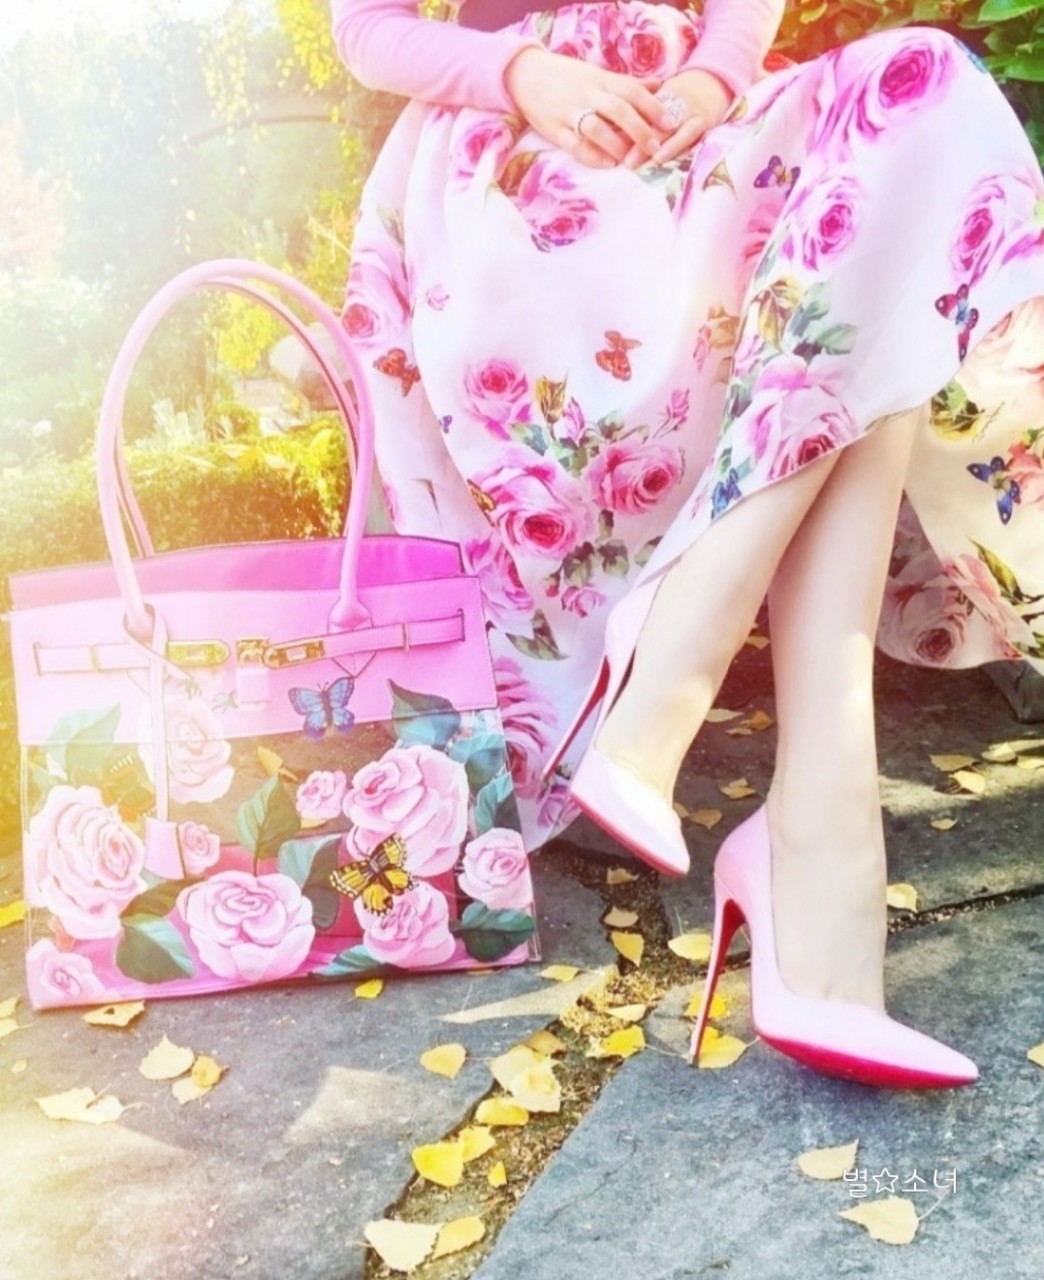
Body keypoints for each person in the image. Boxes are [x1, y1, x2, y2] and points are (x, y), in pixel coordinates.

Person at [327, 0, 1044, 1087]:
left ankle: (676, 673)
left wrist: (710, 79)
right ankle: (819, 854)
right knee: (866, 275)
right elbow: (366, 26)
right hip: (517, 163)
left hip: (703, 129)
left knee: (919, 104)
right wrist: (525, 76)